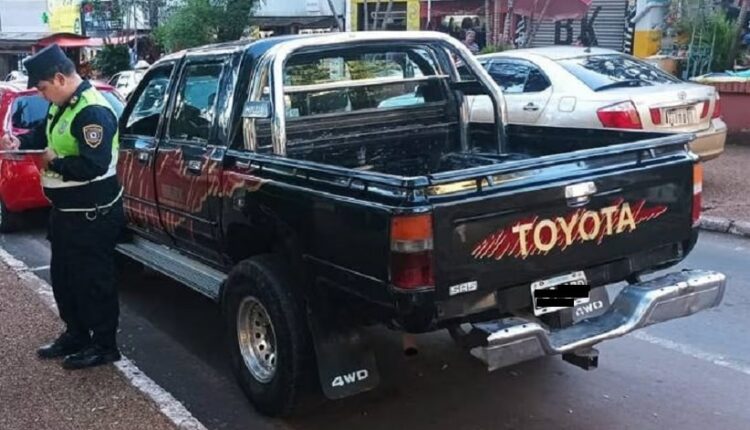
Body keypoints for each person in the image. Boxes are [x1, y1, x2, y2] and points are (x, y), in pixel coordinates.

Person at [0, 44, 125, 370]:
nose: (41, 96)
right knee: (65, 278)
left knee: (93, 281)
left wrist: (53, 163)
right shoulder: (63, 106)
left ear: (59, 78)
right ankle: (76, 333)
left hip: (93, 214)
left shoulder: (92, 111)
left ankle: (103, 344)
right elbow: (45, 135)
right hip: (66, 214)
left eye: (42, 89)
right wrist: (20, 144)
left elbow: (93, 165)